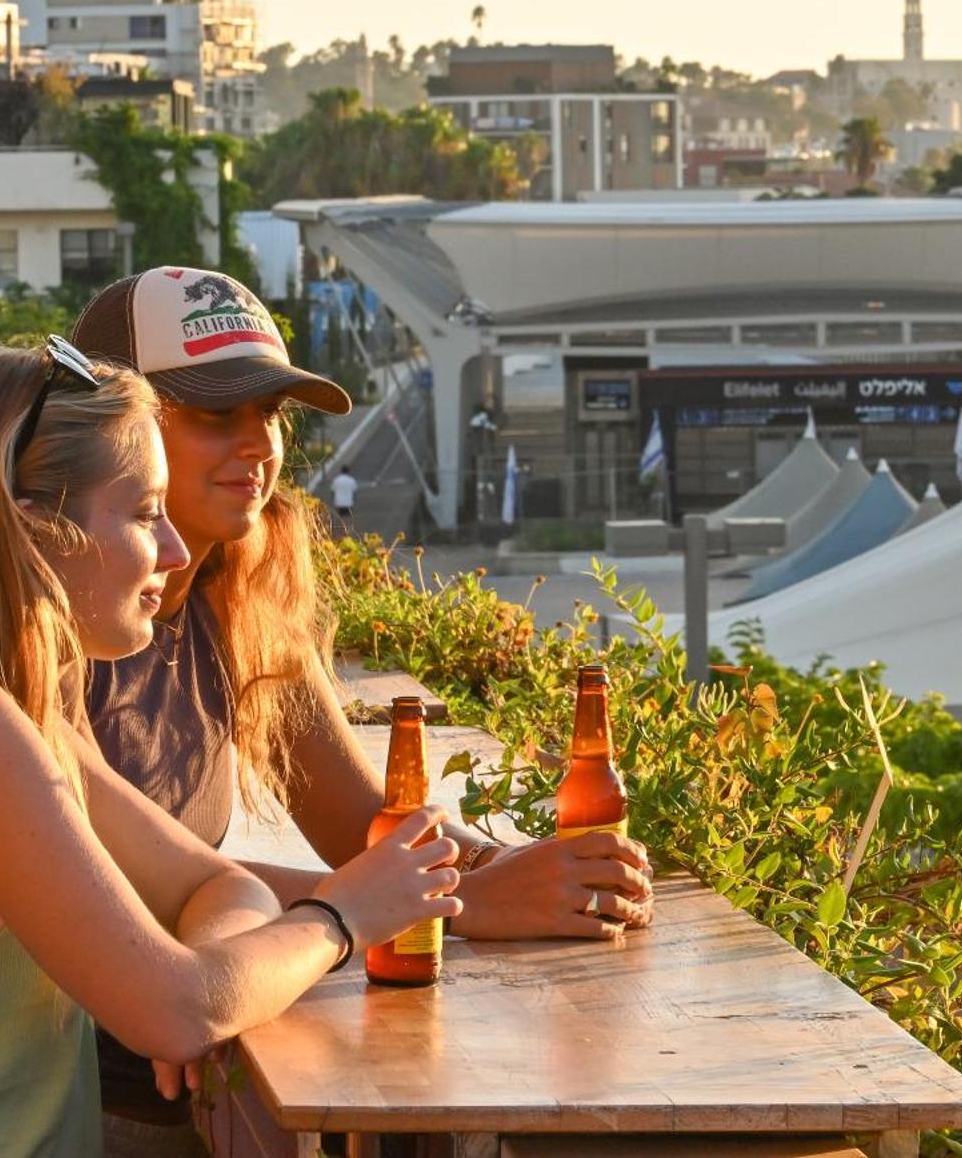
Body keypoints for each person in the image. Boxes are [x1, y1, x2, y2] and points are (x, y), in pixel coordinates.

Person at [0, 342, 460, 1156]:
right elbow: (172, 1008)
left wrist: (210, 981)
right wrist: (342, 918)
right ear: (32, 534)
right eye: (141, 513)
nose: (172, 550)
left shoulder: (21, 719)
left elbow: (217, 886)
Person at [71, 268, 655, 1139]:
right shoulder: (55, 623)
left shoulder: (239, 592)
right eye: (216, 414)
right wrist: (449, 906)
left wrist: (532, 873)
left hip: (204, 1065)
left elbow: (369, 829)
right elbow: (104, 881)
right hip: (92, 1094)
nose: (261, 445)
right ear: (112, 432)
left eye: (271, 412)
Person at [329, 463, 359, 533]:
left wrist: (333, 500)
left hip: (339, 501)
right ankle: (347, 529)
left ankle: (340, 529)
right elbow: (354, 491)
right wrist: (354, 500)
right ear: (348, 471)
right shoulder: (351, 480)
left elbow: (332, 491)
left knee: (340, 516)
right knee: (348, 516)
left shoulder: (336, 480)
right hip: (348, 501)